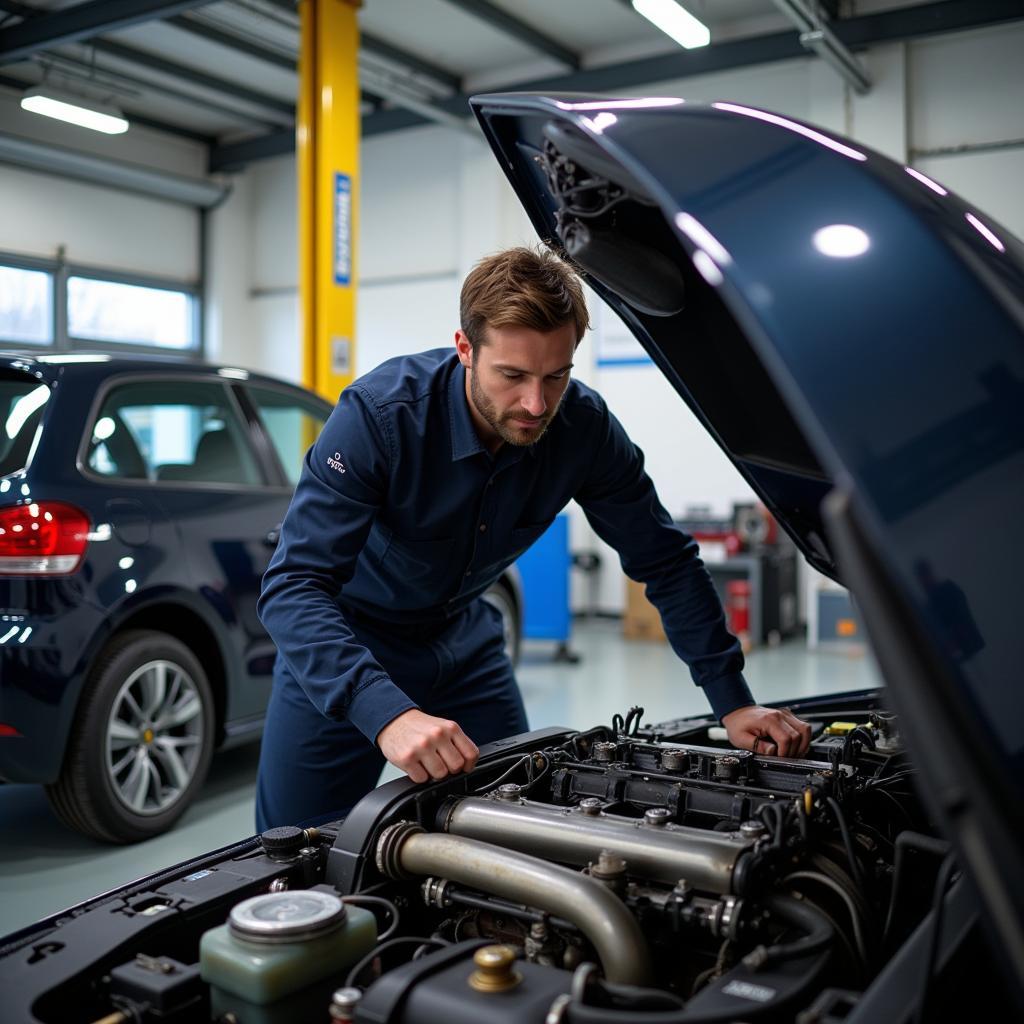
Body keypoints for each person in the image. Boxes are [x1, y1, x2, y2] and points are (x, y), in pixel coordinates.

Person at [255, 247, 812, 831]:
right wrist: (385, 711)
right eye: (512, 376)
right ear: (465, 349)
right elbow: (294, 586)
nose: (535, 404)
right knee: (292, 852)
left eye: (556, 376)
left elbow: (665, 561)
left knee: (524, 824)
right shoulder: (380, 418)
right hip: (347, 646)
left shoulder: (583, 429)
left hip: (464, 644)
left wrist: (732, 699)